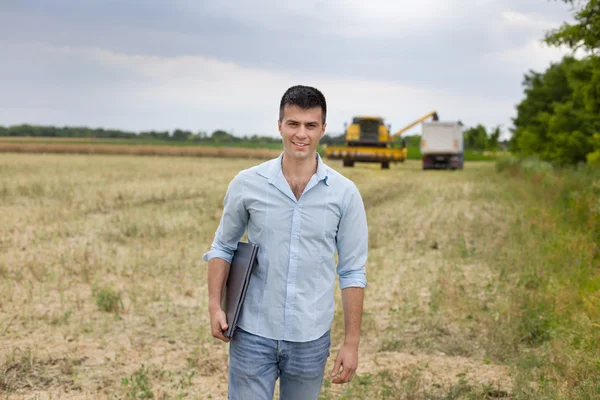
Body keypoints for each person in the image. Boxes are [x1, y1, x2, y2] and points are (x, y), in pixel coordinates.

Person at [203, 85, 368, 400]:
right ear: (279, 125)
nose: (301, 134)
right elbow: (223, 246)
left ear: (322, 129)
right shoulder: (247, 183)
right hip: (252, 333)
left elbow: (352, 271)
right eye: (293, 123)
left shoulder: (344, 193)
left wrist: (351, 342)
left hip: (310, 337)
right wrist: (214, 306)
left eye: (310, 125)